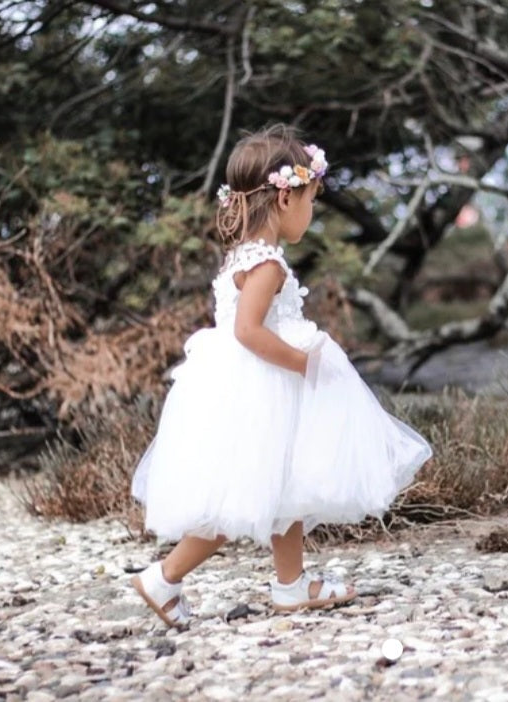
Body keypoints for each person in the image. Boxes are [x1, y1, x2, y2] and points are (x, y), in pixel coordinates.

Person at [130, 124, 432, 627]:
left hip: (249, 385)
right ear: (286, 198)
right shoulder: (266, 262)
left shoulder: (244, 255)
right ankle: (163, 578)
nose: (312, 212)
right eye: (312, 199)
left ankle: (291, 585)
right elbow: (249, 331)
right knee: (238, 499)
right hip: (263, 386)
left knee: (287, 483)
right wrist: (305, 365)